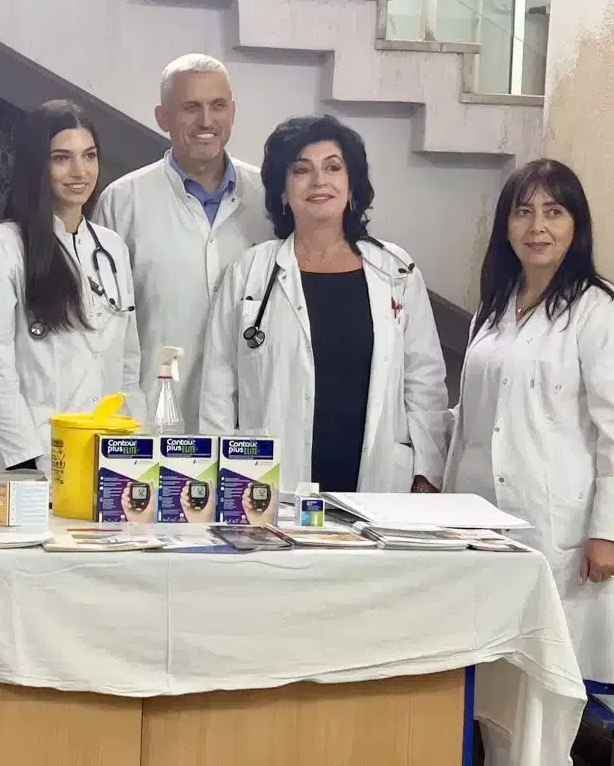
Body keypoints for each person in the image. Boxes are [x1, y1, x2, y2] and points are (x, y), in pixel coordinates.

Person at [199, 115, 448, 494]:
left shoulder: (397, 271)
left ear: (352, 185)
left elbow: (424, 381)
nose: (319, 181)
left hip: (379, 482)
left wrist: (426, 472)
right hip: (271, 485)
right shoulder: (249, 273)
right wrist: (223, 484)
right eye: (301, 170)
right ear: (283, 192)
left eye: (333, 167)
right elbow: (218, 388)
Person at [444, 159, 614, 684]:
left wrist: (607, 532)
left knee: (544, 678)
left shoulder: (596, 309)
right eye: (523, 212)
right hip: (477, 517)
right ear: (506, 225)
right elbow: (471, 416)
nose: (537, 227)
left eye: (553, 212)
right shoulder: (494, 307)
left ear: (576, 225)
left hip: (555, 524)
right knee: (486, 670)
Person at [94, 53, 273, 429]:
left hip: (248, 425)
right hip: (152, 422)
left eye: (218, 106)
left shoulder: (270, 198)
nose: (206, 121)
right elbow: (102, 329)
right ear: (163, 118)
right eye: (191, 107)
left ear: (233, 112)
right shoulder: (123, 202)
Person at [0, 100, 145, 474]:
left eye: (89, 155)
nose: (80, 171)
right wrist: (26, 461)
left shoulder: (112, 247)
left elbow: (128, 364)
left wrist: (137, 447)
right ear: (38, 166)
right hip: (34, 458)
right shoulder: (3, 245)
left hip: (107, 457)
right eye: (62, 158)